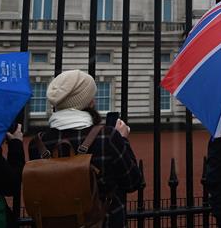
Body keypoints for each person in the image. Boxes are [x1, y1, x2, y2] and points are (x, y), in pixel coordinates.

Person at [27, 70, 141, 228]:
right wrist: (122, 139)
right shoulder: (107, 137)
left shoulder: (38, 143)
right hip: (103, 222)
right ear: (89, 102)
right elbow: (133, 182)